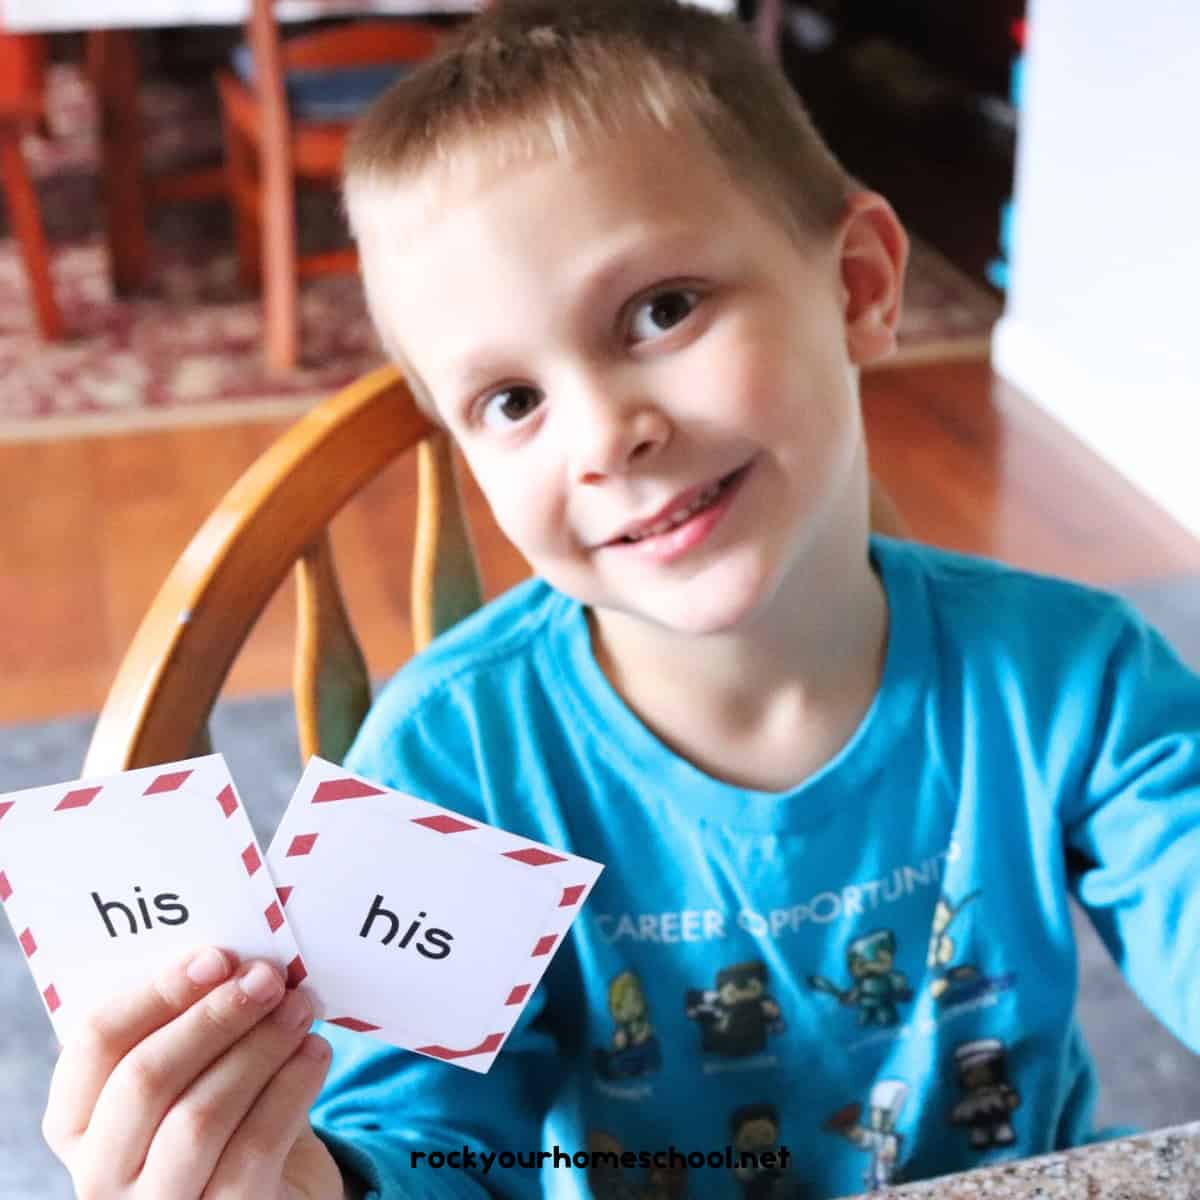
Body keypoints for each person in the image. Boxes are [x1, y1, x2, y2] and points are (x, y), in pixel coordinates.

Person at [39, 1, 1200, 1198]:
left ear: (857, 284)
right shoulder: (452, 758)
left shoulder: (1077, 678)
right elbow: (419, 1148)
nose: (604, 437)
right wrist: (290, 1178)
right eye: (510, 401)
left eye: (662, 310)